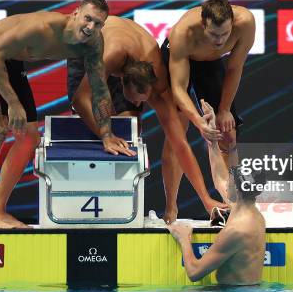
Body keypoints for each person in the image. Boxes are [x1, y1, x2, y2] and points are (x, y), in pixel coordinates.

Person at [0, 0, 134, 229]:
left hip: (11, 62)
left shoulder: (94, 43)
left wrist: (106, 134)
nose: (90, 28)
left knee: (29, 138)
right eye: (88, 19)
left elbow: (99, 88)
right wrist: (13, 103)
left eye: (98, 24)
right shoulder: (41, 28)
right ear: (75, 13)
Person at [67, 15, 227, 223]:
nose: (139, 103)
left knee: (128, 133)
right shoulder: (109, 57)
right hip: (88, 47)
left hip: (131, 52)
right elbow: (81, 100)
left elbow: (180, 145)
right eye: (134, 99)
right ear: (122, 81)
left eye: (143, 100)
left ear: (152, 88)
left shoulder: (160, 89)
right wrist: (105, 135)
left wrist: (206, 199)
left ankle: (117, 208)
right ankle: (82, 205)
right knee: (88, 120)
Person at [168, 100, 266, 285]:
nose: (227, 180)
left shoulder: (237, 230)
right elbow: (220, 179)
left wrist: (183, 238)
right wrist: (212, 141)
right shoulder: (248, 209)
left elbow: (195, 272)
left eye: (231, 178)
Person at [162, 0, 255, 170]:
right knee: (177, 132)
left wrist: (224, 109)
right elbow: (178, 89)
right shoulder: (183, 33)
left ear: (232, 24)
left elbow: (234, 68)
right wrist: (199, 122)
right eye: (213, 34)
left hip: (209, 62)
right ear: (203, 25)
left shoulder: (246, 23)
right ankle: (172, 199)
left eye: (225, 34)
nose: (219, 41)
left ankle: (232, 192)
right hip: (179, 61)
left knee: (228, 134)